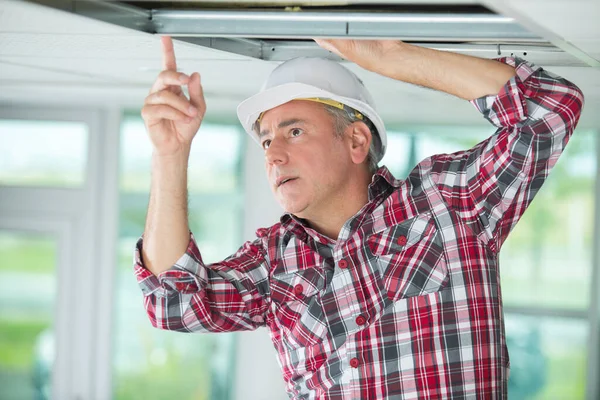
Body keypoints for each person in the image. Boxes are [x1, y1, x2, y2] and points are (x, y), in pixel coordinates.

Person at [136, 36, 584, 399]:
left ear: (355, 141)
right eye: (267, 140)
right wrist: (170, 154)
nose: (273, 153)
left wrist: (393, 56)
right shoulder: (273, 264)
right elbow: (173, 300)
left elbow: (550, 108)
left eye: (294, 131)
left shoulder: (448, 203)